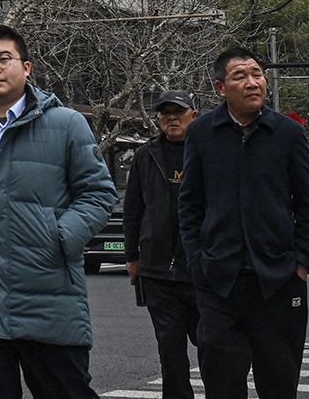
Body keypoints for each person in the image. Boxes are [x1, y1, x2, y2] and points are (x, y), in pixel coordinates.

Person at [0, 24, 117, 399]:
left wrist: (59, 237)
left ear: (26, 68)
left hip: (50, 300)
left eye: (3, 59)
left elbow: (98, 193)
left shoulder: (66, 124)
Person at [177, 47, 309, 399]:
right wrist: (198, 259)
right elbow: (190, 203)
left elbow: (307, 205)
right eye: (240, 76)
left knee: (279, 382)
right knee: (222, 381)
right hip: (218, 279)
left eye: (257, 74)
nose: (253, 82)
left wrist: (301, 264)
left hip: (278, 280)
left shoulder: (287, 133)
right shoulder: (201, 133)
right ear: (220, 88)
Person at [124, 91, 199, 399]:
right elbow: (133, 209)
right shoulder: (146, 155)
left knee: (212, 344)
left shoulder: (206, 150)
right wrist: (132, 257)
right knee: (170, 349)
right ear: (157, 118)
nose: (172, 117)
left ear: (193, 114)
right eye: (165, 113)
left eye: (178, 112)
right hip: (156, 269)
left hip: (200, 267)